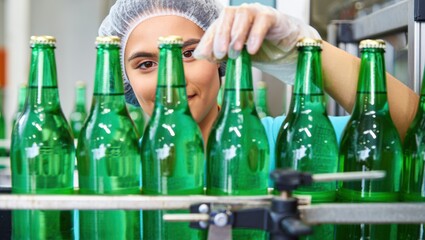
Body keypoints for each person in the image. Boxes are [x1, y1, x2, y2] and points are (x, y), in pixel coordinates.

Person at [98, 0, 418, 165]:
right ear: (123, 80)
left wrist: (309, 54)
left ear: (220, 57)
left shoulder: (292, 141)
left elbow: (416, 132)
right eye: (146, 64)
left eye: (188, 53)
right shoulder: (109, 163)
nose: (171, 81)